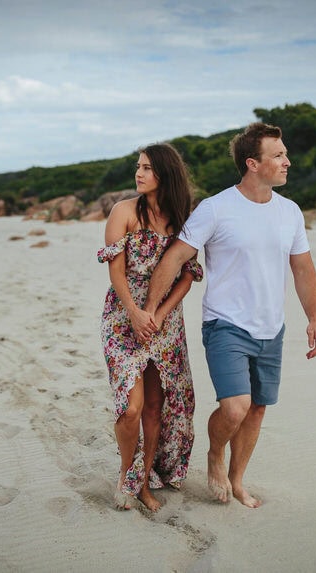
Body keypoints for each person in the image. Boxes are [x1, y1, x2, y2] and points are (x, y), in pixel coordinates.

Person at [140, 122, 316, 508]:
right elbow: (175, 257)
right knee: (235, 407)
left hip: (271, 328)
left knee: (256, 410)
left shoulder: (289, 212)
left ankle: (238, 480)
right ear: (252, 163)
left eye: (285, 153)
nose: (287, 161)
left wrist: (315, 319)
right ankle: (214, 455)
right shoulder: (217, 208)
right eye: (279, 155)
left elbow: (303, 269)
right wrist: (151, 309)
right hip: (226, 324)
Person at [97, 143, 203, 511]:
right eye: (137, 167)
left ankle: (144, 485)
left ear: (165, 173)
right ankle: (126, 476)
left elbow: (188, 275)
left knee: (156, 407)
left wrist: (158, 314)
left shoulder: (182, 218)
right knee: (131, 407)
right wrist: (135, 312)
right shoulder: (122, 211)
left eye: (146, 168)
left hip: (166, 322)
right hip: (123, 318)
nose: (138, 174)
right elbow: (115, 271)